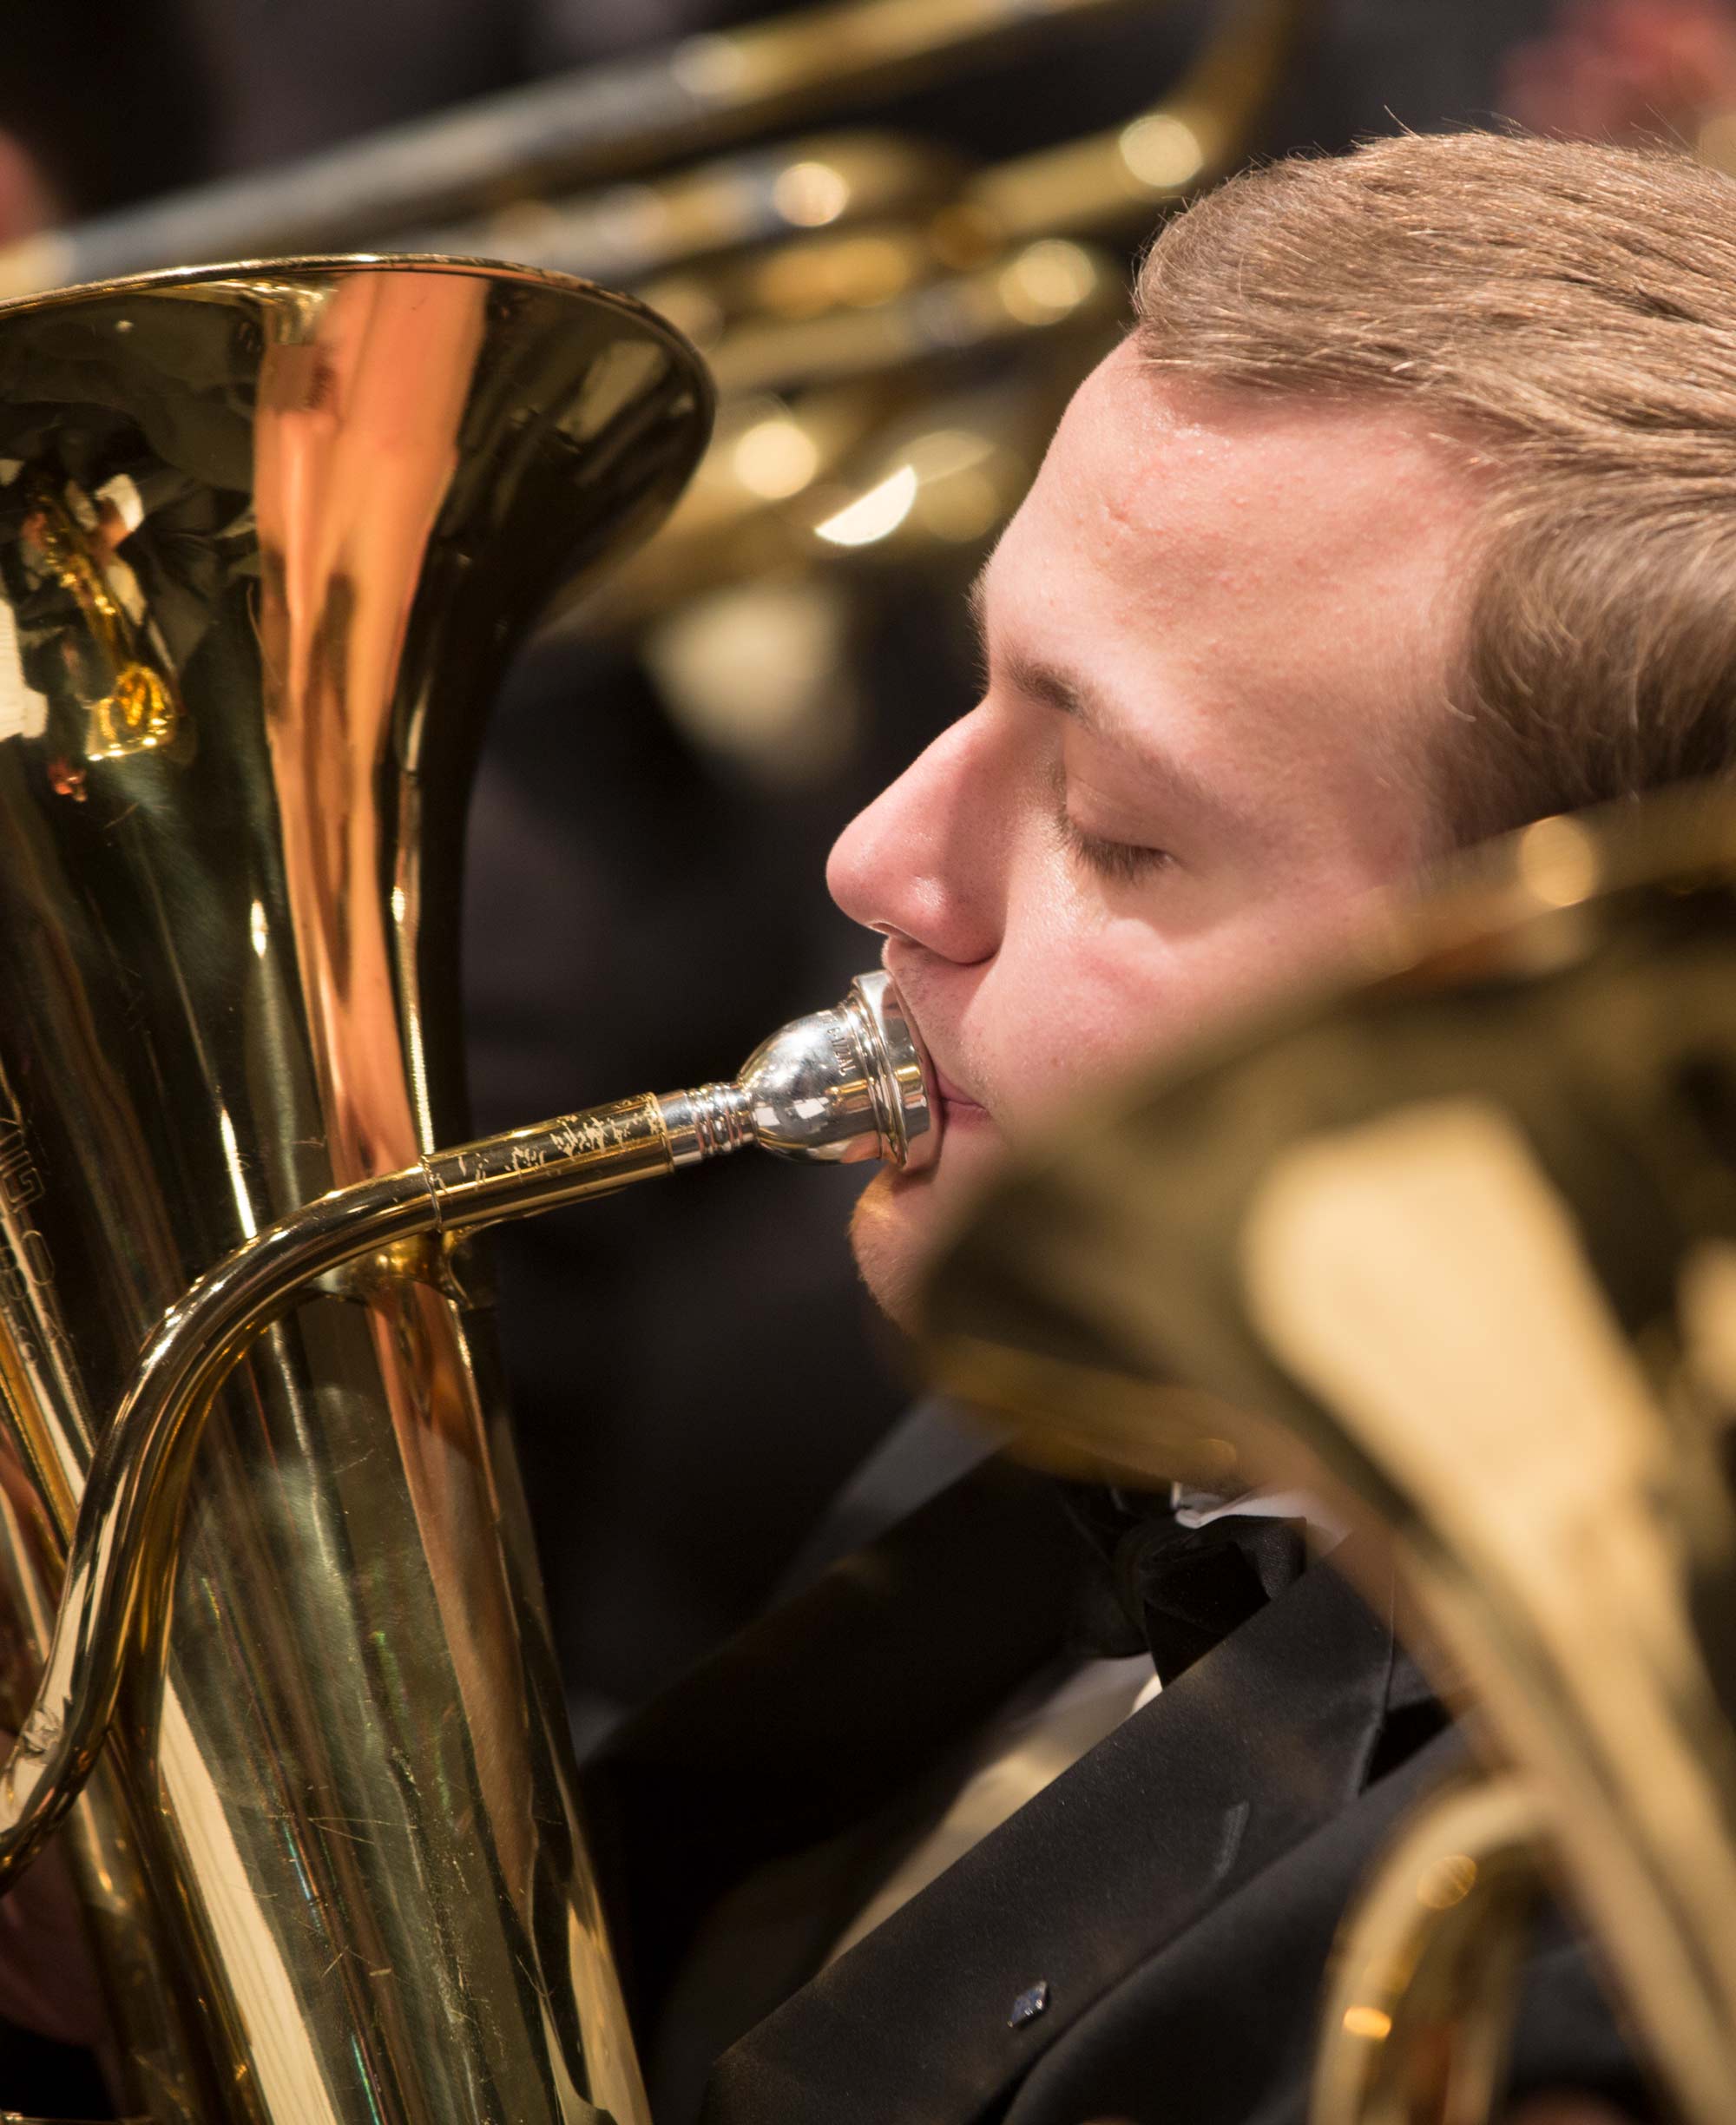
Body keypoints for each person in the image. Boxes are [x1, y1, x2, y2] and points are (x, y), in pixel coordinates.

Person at [578, 127, 1736, 2125]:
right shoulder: (1102, 1375)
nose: (880, 861)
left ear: (1561, 989)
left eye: (1117, 833)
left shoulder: (1597, 1985)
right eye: (973, 688)